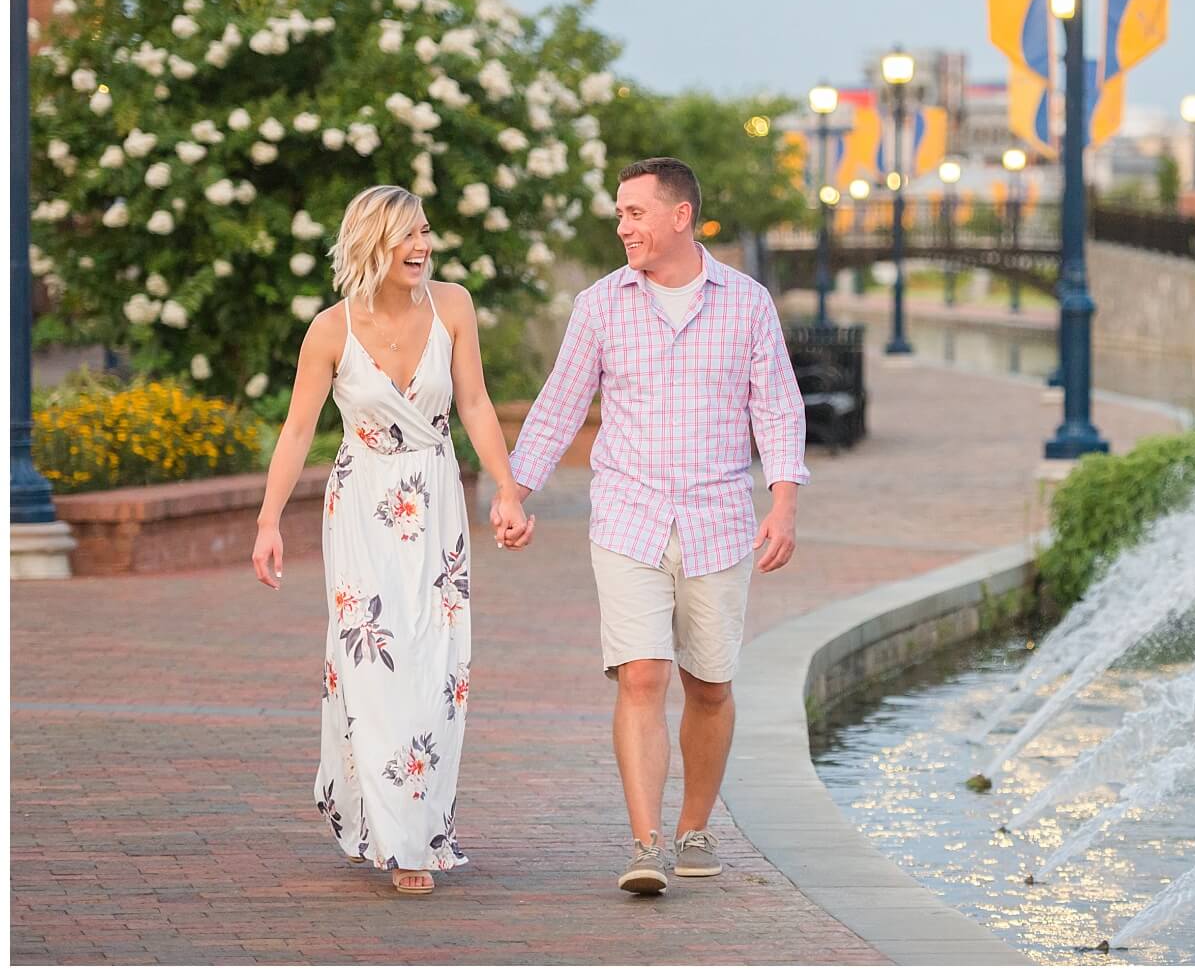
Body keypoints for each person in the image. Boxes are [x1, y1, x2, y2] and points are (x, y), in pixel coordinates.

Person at [500, 156, 808, 895]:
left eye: (634, 213)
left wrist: (785, 501)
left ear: (680, 216)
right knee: (641, 676)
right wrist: (514, 490)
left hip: (719, 519)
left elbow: (777, 406)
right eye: (619, 214)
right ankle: (644, 847)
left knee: (708, 685)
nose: (622, 226)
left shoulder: (747, 303)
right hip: (629, 517)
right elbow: (559, 404)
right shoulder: (601, 305)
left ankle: (693, 827)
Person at [253, 185, 530, 895]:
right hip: (362, 508)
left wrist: (505, 486)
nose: (423, 246)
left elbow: (472, 403)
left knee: (437, 666)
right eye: (407, 235)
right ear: (372, 241)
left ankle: (406, 817)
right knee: (374, 667)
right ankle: (406, 843)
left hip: (437, 505)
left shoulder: (455, 307)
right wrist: (267, 520)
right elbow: (295, 432)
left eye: (426, 233)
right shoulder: (330, 330)